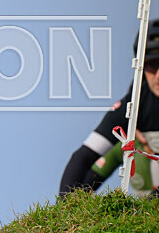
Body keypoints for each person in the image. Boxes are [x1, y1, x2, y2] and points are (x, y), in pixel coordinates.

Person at [59, 19, 159, 196]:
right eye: (152, 65)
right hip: (147, 208)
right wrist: (64, 213)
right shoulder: (135, 102)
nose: (158, 75)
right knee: (122, 147)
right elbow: (82, 158)